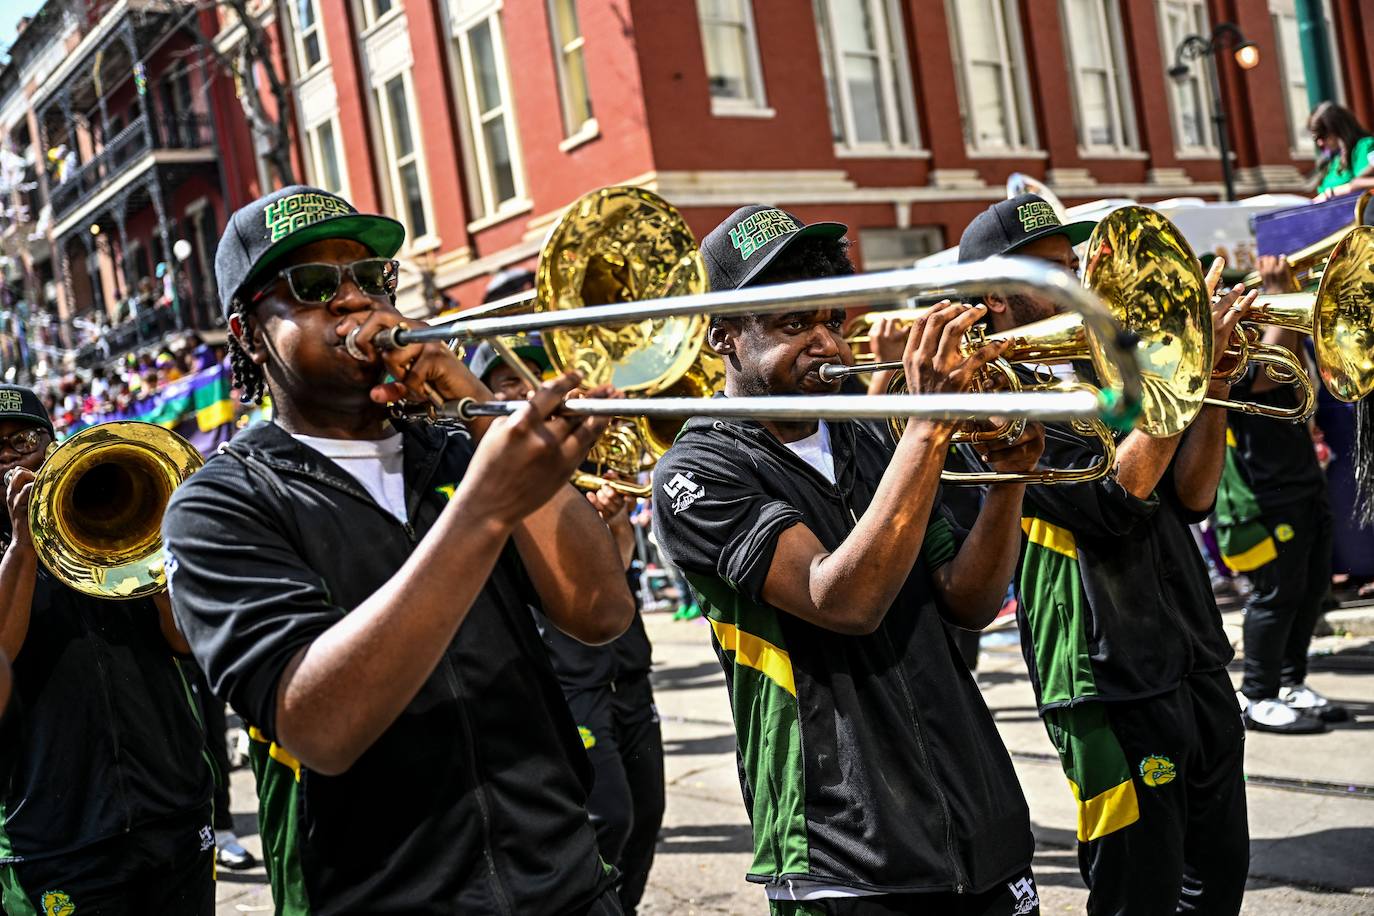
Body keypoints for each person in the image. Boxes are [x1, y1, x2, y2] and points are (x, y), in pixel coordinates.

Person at [162, 185, 637, 914]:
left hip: (567, 885)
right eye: (313, 285)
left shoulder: (454, 449)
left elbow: (600, 611)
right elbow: (318, 725)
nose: (354, 302)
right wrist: (483, 510)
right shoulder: (221, 504)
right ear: (250, 332)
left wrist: (472, 400)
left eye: (370, 278)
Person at [653, 205, 1045, 916]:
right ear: (724, 337)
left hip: (978, 821)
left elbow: (969, 601)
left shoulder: (869, 436)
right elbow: (842, 601)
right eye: (792, 323)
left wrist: (1006, 482)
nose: (826, 342)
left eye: (832, 318)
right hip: (842, 851)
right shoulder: (701, 465)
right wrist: (926, 426)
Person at [959, 194, 1256, 915]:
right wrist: (1184, 370)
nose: (1079, 285)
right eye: (1054, 272)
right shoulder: (993, 403)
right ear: (992, 296)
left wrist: (1209, 385)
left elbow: (1190, 498)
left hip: (1191, 650)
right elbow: (1115, 502)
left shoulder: (1102, 374)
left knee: (1219, 876)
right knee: (1139, 891)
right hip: (1101, 673)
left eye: (1073, 267)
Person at [469, 337, 666, 916]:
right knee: (611, 815)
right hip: (566, 679)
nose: (522, 389)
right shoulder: (499, 478)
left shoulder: (582, 462)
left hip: (626, 668)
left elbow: (616, 579)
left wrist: (616, 525)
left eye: (530, 377)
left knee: (647, 814)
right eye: (505, 382)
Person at [0, 384, 215, 914]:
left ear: (51, 444)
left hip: (175, 811)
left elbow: (190, 642)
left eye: (20, 440)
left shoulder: (97, 503)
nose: (5, 458)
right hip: (53, 840)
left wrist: (150, 554)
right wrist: (22, 546)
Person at [1215, 254, 1345, 732]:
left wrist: (1289, 303)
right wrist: (1276, 298)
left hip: (1306, 484)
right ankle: (1257, 693)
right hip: (1266, 495)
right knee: (1276, 596)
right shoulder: (1229, 353)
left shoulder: (1275, 340)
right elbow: (1267, 376)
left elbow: (1305, 381)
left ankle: (1291, 681)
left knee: (1311, 589)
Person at [1309, 101, 1374, 199]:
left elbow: (1364, 183)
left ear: (1339, 130)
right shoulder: (1333, 159)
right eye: (1316, 138)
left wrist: (1332, 193)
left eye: (1323, 135)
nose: (1320, 143)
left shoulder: (1365, 146)